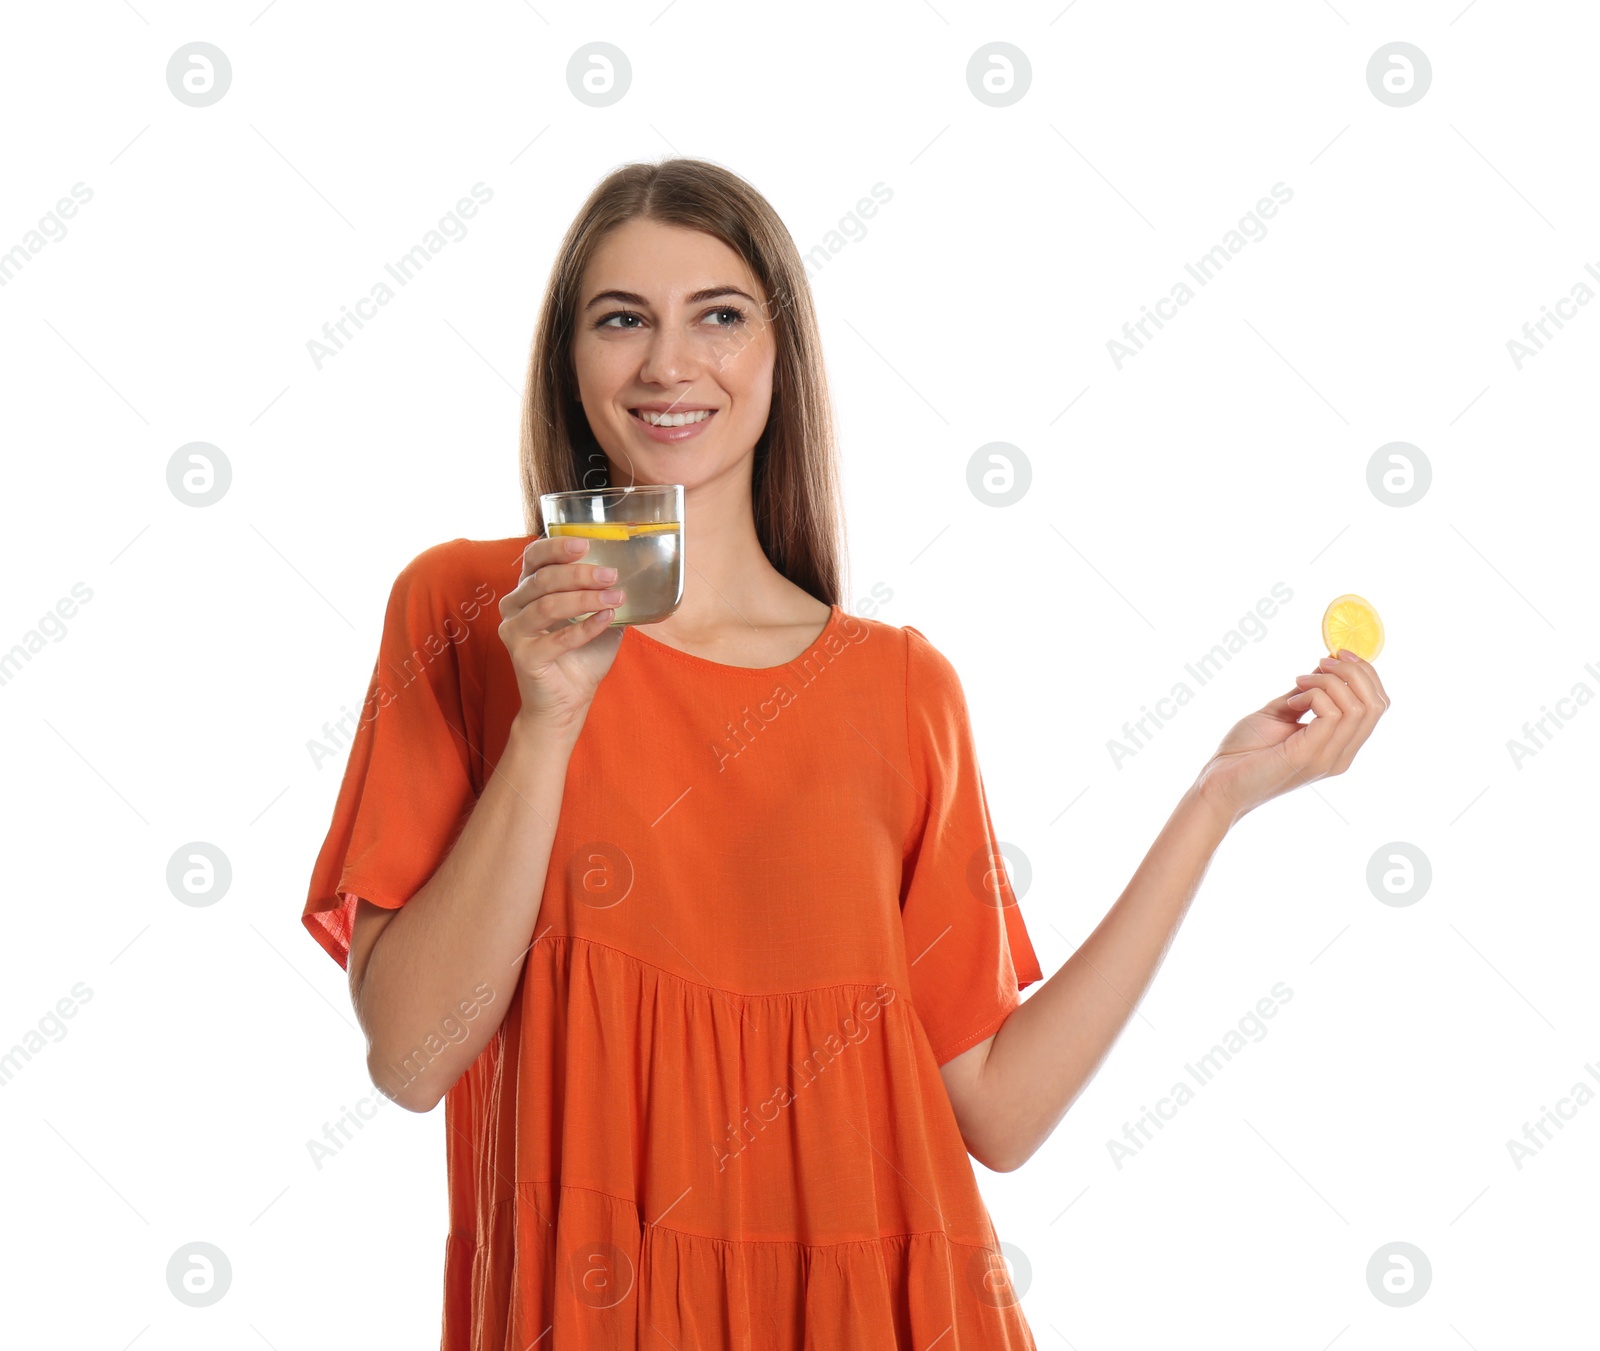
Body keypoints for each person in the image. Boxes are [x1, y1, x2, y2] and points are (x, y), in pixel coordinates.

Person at [301, 157, 1389, 1349]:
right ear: (571, 359)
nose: (670, 364)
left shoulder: (898, 689)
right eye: (623, 320)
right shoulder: (467, 615)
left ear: (779, 357)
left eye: (719, 316)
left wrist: (1212, 803)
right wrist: (547, 717)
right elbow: (412, 1056)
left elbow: (999, 1109)